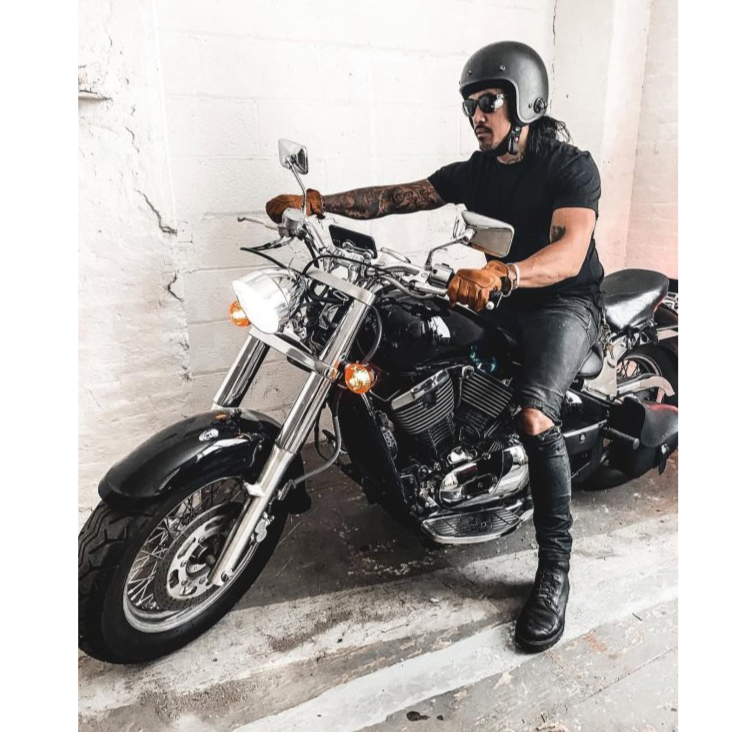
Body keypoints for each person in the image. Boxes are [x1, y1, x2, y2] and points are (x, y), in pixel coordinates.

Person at [265, 40, 604, 652]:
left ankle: (554, 569)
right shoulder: (478, 171)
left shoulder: (569, 166)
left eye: (489, 102)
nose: (477, 115)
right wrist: (318, 204)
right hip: (500, 294)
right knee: (416, 345)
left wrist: (505, 274)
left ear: (525, 100)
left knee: (534, 414)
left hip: (562, 302)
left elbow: (570, 251)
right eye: (470, 105)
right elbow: (398, 197)